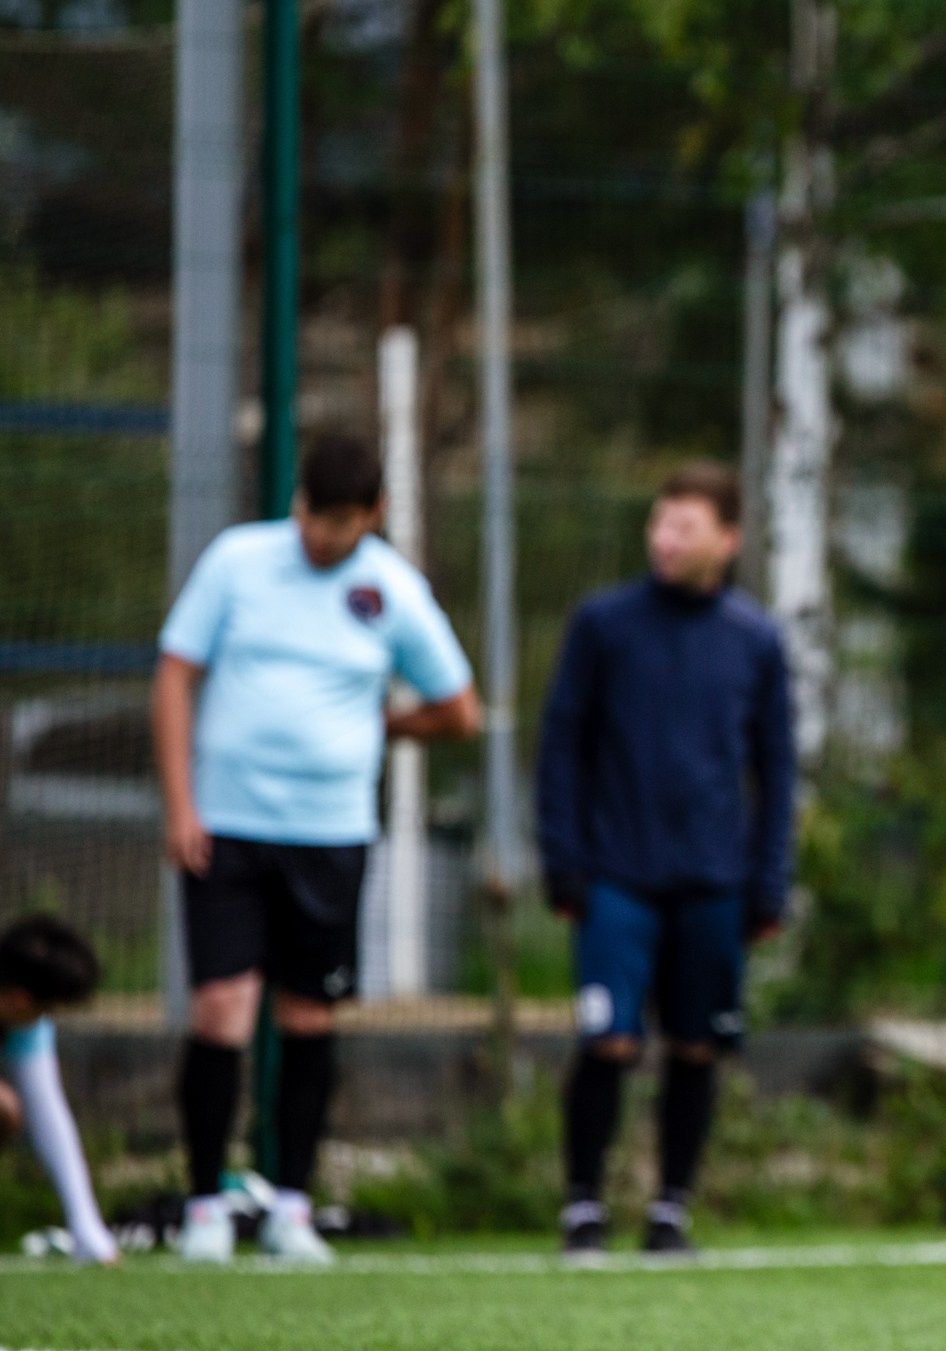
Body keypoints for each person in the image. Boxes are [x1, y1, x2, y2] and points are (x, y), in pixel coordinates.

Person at [153, 434, 482, 1264]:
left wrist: (379, 726)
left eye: (336, 522)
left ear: (372, 515)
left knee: (308, 1014)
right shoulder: (238, 561)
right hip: (226, 826)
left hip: (331, 836)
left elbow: (460, 711)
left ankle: (292, 1205)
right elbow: (174, 674)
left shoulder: (394, 592)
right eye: (307, 513)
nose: (317, 535)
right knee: (221, 1009)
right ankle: (203, 1208)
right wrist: (182, 802)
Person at [536, 463, 795, 1256]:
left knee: (696, 1046)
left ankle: (670, 1208)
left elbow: (777, 770)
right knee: (608, 1040)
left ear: (728, 538)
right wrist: (563, 856)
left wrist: (768, 879)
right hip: (615, 877)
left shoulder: (756, 640)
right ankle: (582, 1206)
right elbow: (560, 747)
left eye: (682, 526)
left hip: (714, 883)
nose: (664, 539)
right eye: (658, 523)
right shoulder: (603, 625)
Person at [0, 915, 119, 1264]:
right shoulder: (22, 1006)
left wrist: (87, 1228)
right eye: (49, 1009)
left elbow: (47, 1112)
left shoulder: (23, 1021)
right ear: (22, 1000)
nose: (47, 1019)